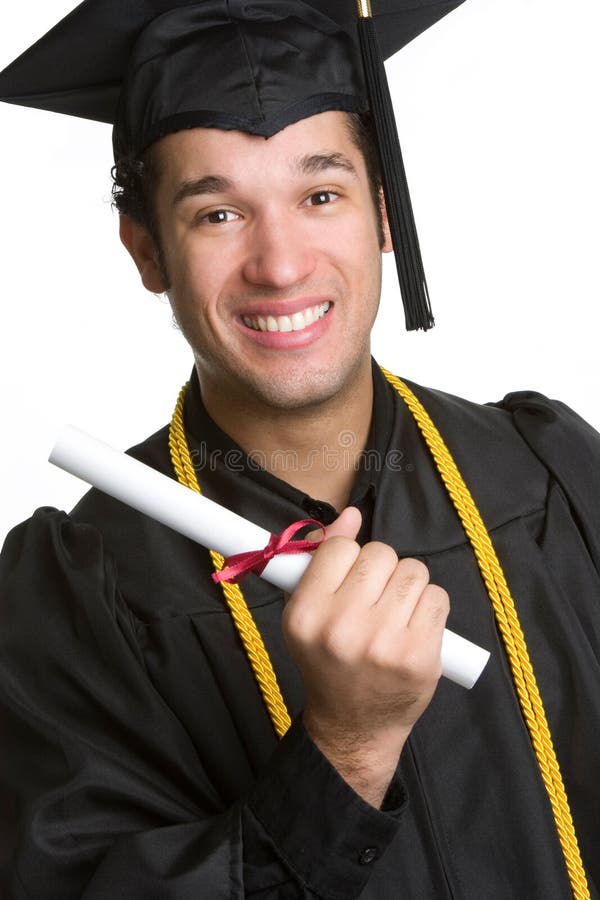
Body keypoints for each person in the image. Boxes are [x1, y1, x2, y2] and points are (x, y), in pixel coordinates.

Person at [1, 2, 599, 898]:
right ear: (146, 250)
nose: (280, 265)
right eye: (216, 215)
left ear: (384, 212)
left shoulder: (552, 473)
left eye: (321, 195)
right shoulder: (76, 594)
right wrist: (346, 751)